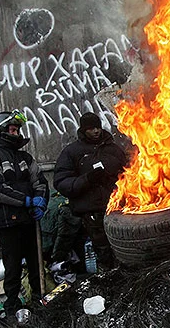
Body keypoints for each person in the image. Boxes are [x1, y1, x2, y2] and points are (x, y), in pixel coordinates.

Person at [0, 112, 49, 312]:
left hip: (30, 221)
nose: (16, 131)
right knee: (13, 267)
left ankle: (39, 300)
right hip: (9, 223)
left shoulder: (25, 157)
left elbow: (39, 181)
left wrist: (41, 202)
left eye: (17, 128)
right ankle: (12, 306)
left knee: (36, 263)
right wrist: (26, 201)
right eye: (12, 128)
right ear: (1, 131)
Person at [52, 112, 128, 270]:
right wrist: (87, 179)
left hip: (118, 210)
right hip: (92, 212)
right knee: (103, 252)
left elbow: (131, 172)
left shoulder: (113, 149)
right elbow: (62, 182)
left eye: (98, 127)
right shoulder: (72, 152)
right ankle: (107, 282)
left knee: (123, 250)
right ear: (83, 130)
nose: (96, 131)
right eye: (91, 128)